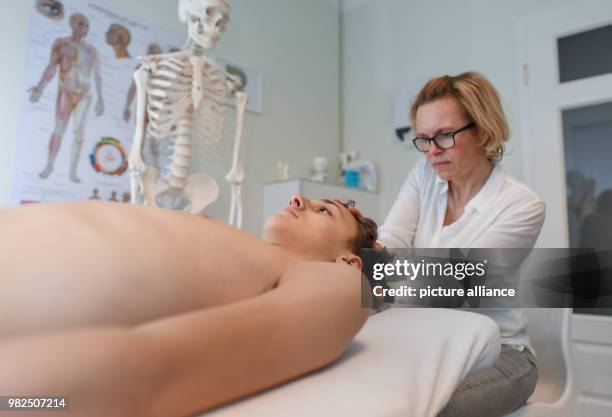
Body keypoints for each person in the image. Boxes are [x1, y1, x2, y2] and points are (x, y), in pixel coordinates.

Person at [0, 195, 376, 417]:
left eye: (325, 210)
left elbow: (146, 369)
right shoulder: (240, 249)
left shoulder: (341, 280)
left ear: (350, 261)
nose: (297, 200)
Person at [377, 72, 545, 417]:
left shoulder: (521, 205)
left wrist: (369, 273)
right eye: (423, 139)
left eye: (445, 135)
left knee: (421, 410)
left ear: (483, 130)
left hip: (502, 353)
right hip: (430, 341)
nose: (432, 151)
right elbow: (390, 239)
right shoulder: (424, 175)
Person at [29, 13, 104, 183]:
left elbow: (97, 76)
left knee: (79, 134)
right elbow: (51, 67)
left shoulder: (92, 51)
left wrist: (100, 99)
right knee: (59, 129)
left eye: (86, 25)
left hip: (85, 95)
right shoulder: (61, 44)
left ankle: (72, 172)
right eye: (80, 23)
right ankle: (49, 165)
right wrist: (39, 88)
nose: (83, 28)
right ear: (72, 24)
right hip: (66, 90)